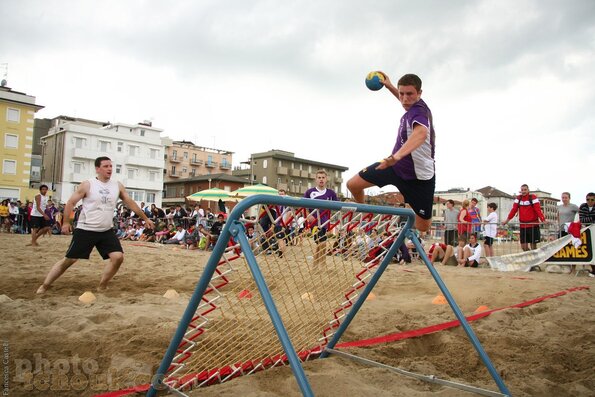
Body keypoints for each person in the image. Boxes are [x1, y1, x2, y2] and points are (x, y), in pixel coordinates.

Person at [36, 157, 155, 294]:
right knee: (69, 260)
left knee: (118, 257)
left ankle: (102, 285)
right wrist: (66, 222)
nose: (109, 169)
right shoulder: (88, 184)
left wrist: (145, 218)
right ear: (97, 169)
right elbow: (70, 203)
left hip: (106, 230)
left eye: (111, 166)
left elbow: (130, 202)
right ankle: (45, 285)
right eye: (105, 166)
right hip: (86, 229)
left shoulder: (117, 185)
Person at [347, 73, 435, 233]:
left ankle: (409, 217)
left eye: (409, 94)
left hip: (419, 179)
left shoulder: (420, 112)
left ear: (420, 94)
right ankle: (364, 216)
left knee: (423, 227)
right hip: (394, 167)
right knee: (352, 185)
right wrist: (389, 86)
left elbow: (421, 134)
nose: (404, 98)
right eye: (401, 93)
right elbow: (404, 100)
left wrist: (397, 156)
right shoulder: (410, 106)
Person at [304, 170, 338, 265]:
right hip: (314, 222)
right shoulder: (309, 192)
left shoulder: (331, 193)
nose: (321, 179)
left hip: (325, 222)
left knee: (321, 243)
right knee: (321, 242)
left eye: (323, 177)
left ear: (326, 179)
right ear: (316, 179)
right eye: (319, 177)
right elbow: (303, 206)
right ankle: (320, 264)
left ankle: (318, 264)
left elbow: (338, 205)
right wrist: (308, 215)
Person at [502, 184, 546, 251]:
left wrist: (543, 220)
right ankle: (530, 257)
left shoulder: (533, 197)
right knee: (524, 247)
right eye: (522, 190)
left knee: (533, 247)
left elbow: (538, 210)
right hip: (523, 226)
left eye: (525, 190)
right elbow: (513, 210)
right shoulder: (518, 198)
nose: (523, 191)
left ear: (528, 190)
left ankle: (534, 259)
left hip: (533, 225)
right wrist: (506, 221)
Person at [578, 192, 595, 277]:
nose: (590, 201)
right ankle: (593, 270)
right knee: (590, 251)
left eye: (592, 199)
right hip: (588, 231)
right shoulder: (583, 206)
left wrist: (589, 220)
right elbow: (582, 220)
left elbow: (586, 219)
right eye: (588, 199)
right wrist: (592, 218)